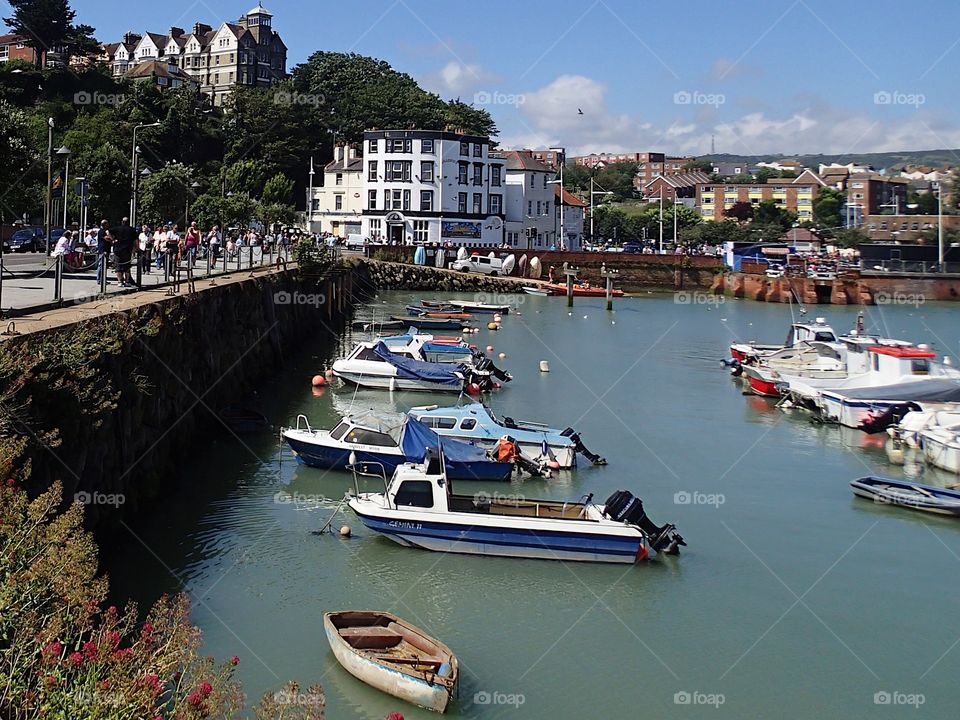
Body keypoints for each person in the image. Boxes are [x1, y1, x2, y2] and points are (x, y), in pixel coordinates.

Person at [111, 217, 136, 287]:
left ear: (122, 222)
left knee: (118, 266)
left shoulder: (116, 228)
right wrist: (136, 248)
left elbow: (107, 232)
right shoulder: (132, 230)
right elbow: (135, 240)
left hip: (117, 250)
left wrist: (112, 239)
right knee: (127, 267)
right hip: (127, 250)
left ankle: (120, 282)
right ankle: (127, 281)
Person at [95, 219, 112, 285]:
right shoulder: (101, 231)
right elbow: (107, 238)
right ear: (104, 224)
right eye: (107, 224)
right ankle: (99, 279)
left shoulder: (105, 231)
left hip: (106, 249)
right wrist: (110, 238)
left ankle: (103, 279)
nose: (108, 225)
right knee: (101, 265)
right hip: (103, 250)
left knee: (105, 265)